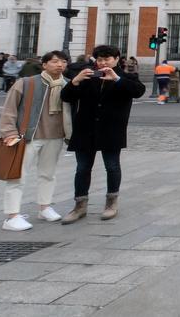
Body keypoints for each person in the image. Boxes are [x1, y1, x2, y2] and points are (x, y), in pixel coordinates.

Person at [60, 44, 147, 224]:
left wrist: (116, 79)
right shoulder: (87, 76)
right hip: (85, 128)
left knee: (112, 166)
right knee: (82, 168)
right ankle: (80, 205)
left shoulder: (126, 77)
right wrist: (75, 81)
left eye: (107, 59)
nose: (102, 62)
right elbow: (66, 97)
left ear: (116, 59)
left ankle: (111, 202)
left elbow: (138, 91)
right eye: (99, 59)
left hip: (111, 129)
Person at [0, 50, 70, 231]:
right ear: (44, 65)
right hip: (27, 136)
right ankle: (12, 215)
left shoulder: (68, 85)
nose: (59, 65)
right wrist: (9, 133)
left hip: (55, 135)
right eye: (54, 61)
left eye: (63, 62)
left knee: (48, 174)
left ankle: (44, 207)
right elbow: (9, 109)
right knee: (18, 176)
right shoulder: (27, 83)